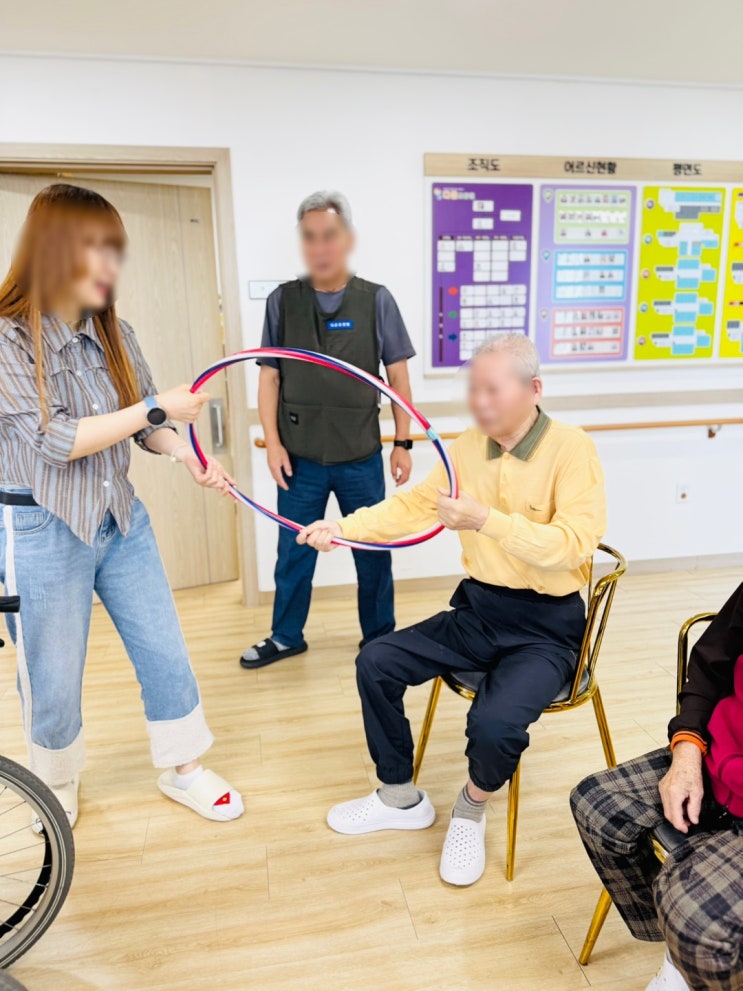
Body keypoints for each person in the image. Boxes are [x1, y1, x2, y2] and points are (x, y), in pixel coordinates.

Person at [298, 333, 606, 886]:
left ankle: (470, 808)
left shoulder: (571, 449)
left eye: (493, 390)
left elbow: (572, 546)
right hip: (478, 613)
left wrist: (486, 520)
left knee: (493, 723)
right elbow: (414, 507)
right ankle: (399, 795)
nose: (479, 402)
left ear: (533, 390)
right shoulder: (466, 447)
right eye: (474, 390)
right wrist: (341, 528)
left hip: (547, 628)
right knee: (376, 661)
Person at [0, 183, 244, 828]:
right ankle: (55, 781)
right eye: (98, 250)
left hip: (120, 519)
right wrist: (156, 407)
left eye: (117, 251)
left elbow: (144, 426)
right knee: (51, 673)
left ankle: (185, 767)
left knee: (164, 647)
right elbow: (56, 441)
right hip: (41, 525)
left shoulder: (116, 333)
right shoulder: (7, 340)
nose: (113, 266)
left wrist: (184, 454)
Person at [240, 191, 416, 670]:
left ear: (348, 239)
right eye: (310, 237)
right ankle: (285, 636)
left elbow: (398, 379)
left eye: (330, 235)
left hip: (360, 456)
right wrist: (273, 444)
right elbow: (270, 377)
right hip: (300, 459)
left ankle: (379, 637)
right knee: (293, 551)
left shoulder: (376, 299)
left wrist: (402, 443)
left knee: (372, 551)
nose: (320, 247)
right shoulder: (283, 301)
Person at [571, 586, 743, 991]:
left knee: (699, 923)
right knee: (598, 804)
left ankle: (697, 945)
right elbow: (710, 663)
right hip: (721, 759)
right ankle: (680, 952)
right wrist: (687, 749)